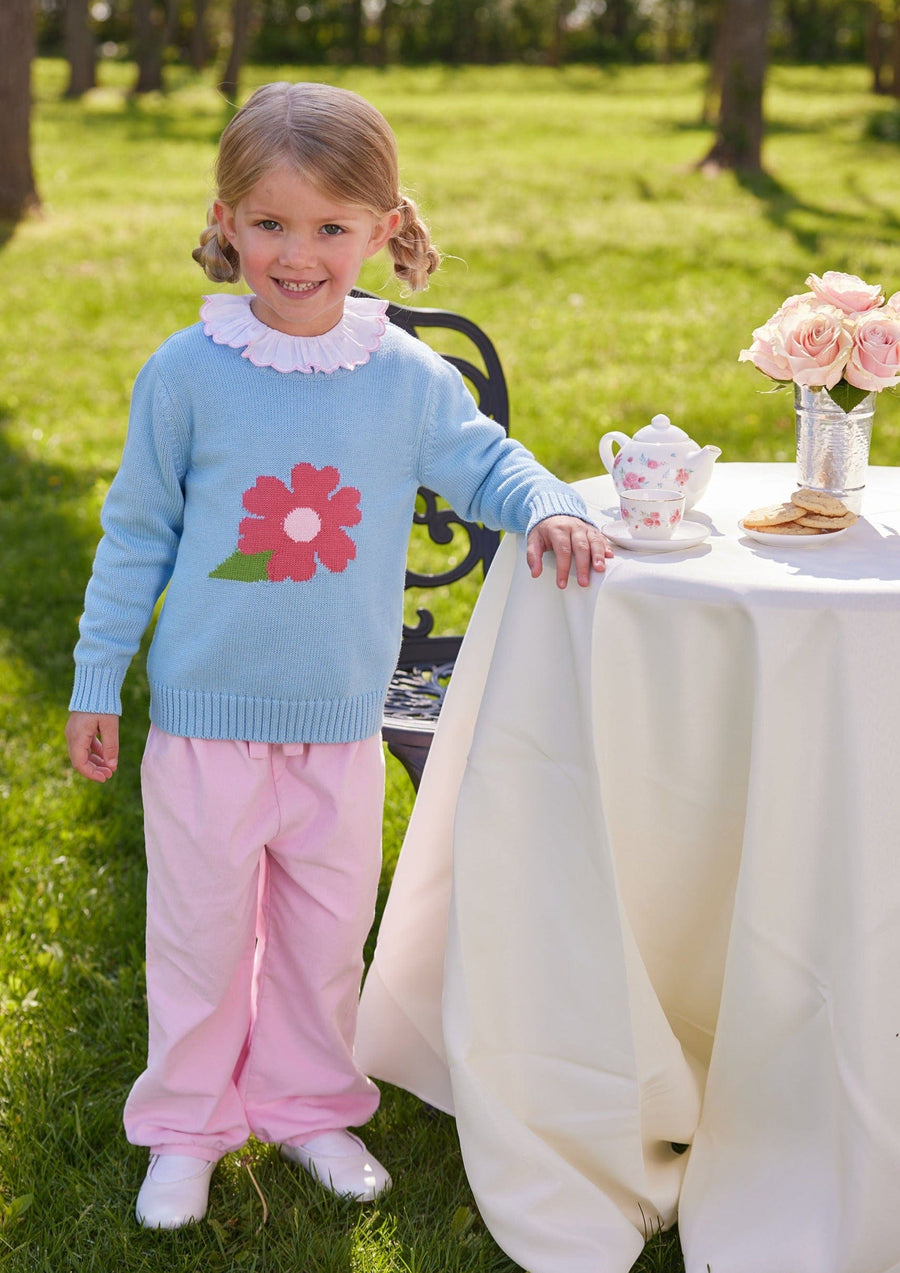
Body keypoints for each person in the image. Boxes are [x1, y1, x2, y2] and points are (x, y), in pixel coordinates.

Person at [65, 80, 611, 1231]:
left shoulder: (405, 379)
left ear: (381, 228)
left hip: (341, 723)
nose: (297, 253)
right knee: (199, 939)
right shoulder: (187, 373)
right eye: (270, 223)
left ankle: (310, 1105)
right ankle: (186, 1127)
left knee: (323, 937)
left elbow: (488, 463)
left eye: (329, 226)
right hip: (206, 726)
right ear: (226, 221)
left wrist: (550, 502)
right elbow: (135, 533)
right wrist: (97, 676)